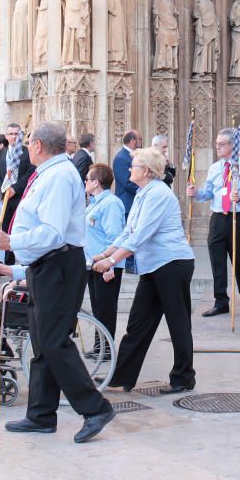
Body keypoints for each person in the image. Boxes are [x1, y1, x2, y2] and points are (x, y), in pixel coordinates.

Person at [0, 122, 115, 443]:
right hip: (44, 265)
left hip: (59, 262)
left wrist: (11, 241)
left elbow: (54, 231)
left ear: (39, 145)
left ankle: (95, 408)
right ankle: (41, 414)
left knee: (56, 340)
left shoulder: (58, 176)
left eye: (29, 142)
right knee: (42, 341)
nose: (26, 147)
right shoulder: (49, 174)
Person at [93, 147, 196, 393]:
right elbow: (129, 231)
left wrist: (111, 261)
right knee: (138, 322)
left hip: (172, 264)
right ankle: (121, 376)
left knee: (177, 322)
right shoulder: (142, 193)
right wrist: (107, 252)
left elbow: (140, 235)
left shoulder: (159, 194)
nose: (130, 169)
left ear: (147, 171)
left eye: (135, 165)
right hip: (153, 266)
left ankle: (183, 377)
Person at [187, 128, 240, 317]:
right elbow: (209, 192)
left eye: (221, 144)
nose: (217, 147)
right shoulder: (215, 167)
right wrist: (196, 193)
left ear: (232, 145)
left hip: (238, 215)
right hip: (218, 216)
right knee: (217, 258)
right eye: (216, 143)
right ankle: (220, 300)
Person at [83, 163, 126, 349]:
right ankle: (99, 345)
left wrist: (109, 264)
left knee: (106, 308)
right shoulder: (94, 203)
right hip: (93, 263)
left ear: (96, 182)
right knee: (98, 308)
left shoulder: (110, 204)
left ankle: (106, 347)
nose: (84, 182)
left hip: (105, 264)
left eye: (87, 179)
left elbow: (114, 237)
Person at [113, 130, 142, 216]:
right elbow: (127, 182)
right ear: (133, 141)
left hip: (135, 203)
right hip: (127, 204)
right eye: (140, 139)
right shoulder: (121, 158)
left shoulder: (134, 155)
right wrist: (145, 189)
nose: (141, 142)